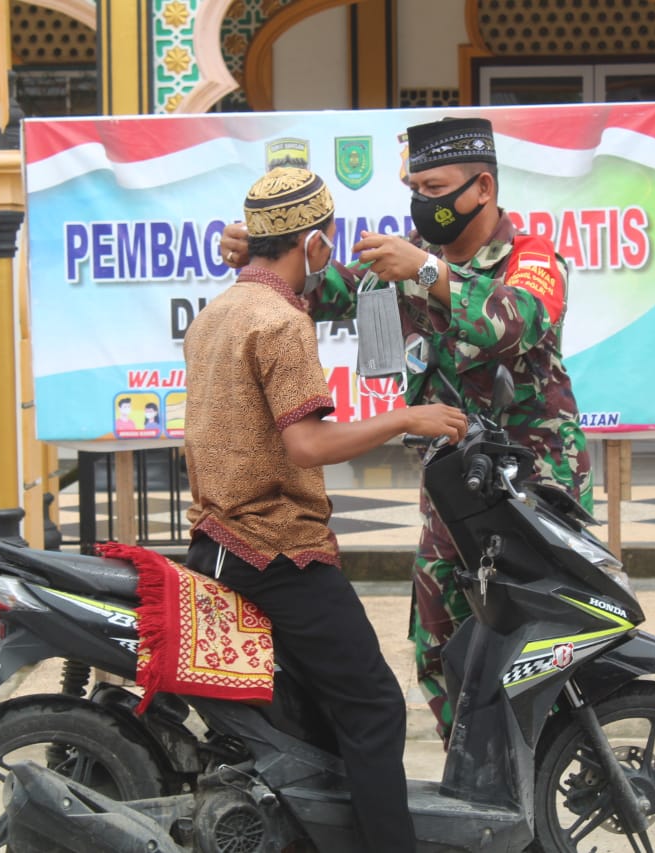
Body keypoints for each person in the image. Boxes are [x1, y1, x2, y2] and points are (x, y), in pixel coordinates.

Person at [221, 117, 592, 741]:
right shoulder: (406, 268)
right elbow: (325, 287)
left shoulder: (530, 259)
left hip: (530, 489)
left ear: (482, 188)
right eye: (414, 185)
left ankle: (555, 761)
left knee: (537, 638)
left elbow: (515, 322)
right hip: (452, 494)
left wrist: (423, 270)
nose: (424, 200)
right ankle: (471, 770)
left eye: (437, 185)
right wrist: (264, 255)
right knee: (438, 639)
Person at [184, 166, 467, 852]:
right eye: (327, 247)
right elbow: (307, 442)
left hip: (217, 541)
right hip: (278, 549)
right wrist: (409, 417)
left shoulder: (217, 311)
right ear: (312, 245)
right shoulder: (280, 321)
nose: (329, 261)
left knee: (311, 709)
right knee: (373, 705)